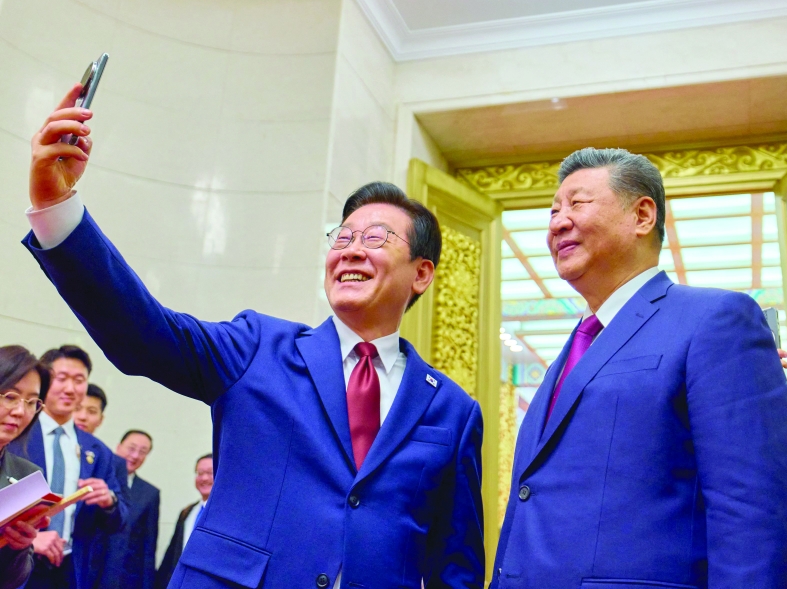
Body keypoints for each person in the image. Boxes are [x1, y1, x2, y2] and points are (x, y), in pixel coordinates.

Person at [21, 86, 485, 589]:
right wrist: (58, 208)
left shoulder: (453, 413)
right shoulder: (256, 347)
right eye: (343, 237)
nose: (351, 250)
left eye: (375, 239)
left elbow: (454, 567)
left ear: (421, 273)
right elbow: (144, 332)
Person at [493, 148, 787, 589]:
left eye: (577, 204)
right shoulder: (574, 347)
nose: (558, 222)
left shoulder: (714, 320)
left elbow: (751, 510)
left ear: (642, 215)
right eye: (554, 211)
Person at [9, 345, 128, 589]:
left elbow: (120, 521)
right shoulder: (15, 433)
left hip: (71, 571)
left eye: (79, 380)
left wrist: (109, 502)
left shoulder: (97, 451)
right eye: (61, 378)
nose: (70, 389)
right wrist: (32, 541)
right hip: (15, 566)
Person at [0, 346, 51, 589]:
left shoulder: (26, 476)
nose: (20, 411)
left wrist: (18, 548)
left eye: (32, 402)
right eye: (10, 396)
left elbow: (14, 580)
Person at [105, 431, 159, 589]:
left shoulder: (150, 493)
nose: (135, 455)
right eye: (131, 448)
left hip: (126, 578)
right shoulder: (99, 480)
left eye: (143, 452)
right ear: (118, 447)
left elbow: (148, 548)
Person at [155, 454, 213, 589]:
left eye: (210, 473)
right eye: (200, 473)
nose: (204, 478)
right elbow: (172, 555)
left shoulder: (226, 514)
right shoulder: (187, 512)